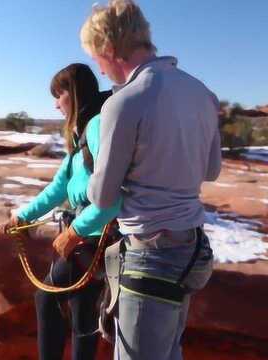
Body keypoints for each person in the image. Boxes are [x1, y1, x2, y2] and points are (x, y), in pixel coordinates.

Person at [78, 1, 221, 359]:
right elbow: (211, 171)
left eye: (97, 57)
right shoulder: (202, 93)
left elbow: (102, 196)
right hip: (191, 251)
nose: (99, 66)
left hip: (150, 257)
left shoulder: (124, 102)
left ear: (109, 48)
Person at [0, 63, 121, 360]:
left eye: (59, 95)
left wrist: (75, 233)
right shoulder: (81, 140)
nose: (55, 104)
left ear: (74, 94)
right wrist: (21, 217)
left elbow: (113, 193)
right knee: (81, 316)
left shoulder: (96, 126)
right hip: (89, 240)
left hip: (91, 239)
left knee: (47, 300)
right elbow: (57, 190)